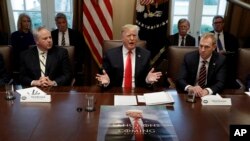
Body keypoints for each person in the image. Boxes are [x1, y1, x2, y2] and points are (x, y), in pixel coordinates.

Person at [96, 24, 162, 88]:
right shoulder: (111, 54)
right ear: (122, 38)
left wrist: (148, 79)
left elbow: (147, 76)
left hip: (137, 91)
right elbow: (105, 75)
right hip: (117, 91)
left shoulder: (145, 54)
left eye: (134, 35)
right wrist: (107, 81)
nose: (132, 38)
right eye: (128, 35)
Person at [176, 32, 226, 97]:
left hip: (209, 96)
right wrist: (190, 88)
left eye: (206, 47)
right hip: (191, 94)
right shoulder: (189, 57)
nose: (202, 50)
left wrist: (207, 91)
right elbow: (180, 79)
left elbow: (221, 82)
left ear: (214, 47)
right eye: (201, 46)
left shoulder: (220, 60)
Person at [51, 13, 86, 79]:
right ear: (56, 24)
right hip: (56, 64)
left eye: (64, 22)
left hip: (73, 63)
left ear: (66, 22)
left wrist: (76, 62)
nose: (62, 25)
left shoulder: (76, 34)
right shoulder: (52, 34)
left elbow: (82, 50)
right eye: (59, 23)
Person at [105, 109, 174, 141]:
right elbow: (109, 137)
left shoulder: (153, 122)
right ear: (129, 114)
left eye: (141, 113)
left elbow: (166, 136)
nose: (140, 113)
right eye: (137, 112)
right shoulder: (118, 122)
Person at [210, 15, 239, 88]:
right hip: (213, 61)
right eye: (215, 23)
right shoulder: (208, 36)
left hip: (227, 62)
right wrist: (217, 54)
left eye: (220, 22)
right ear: (213, 25)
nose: (218, 24)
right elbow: (205, 51)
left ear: (223, 24)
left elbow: (235, 52)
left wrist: (225, 53)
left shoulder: (231, 37)